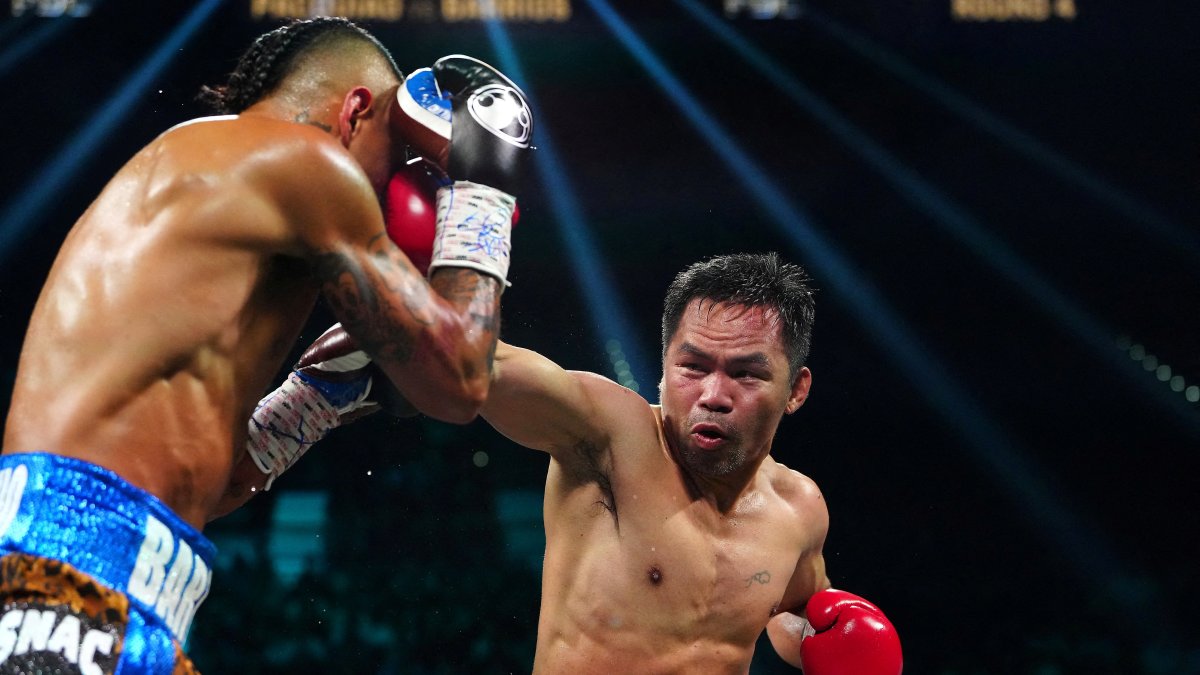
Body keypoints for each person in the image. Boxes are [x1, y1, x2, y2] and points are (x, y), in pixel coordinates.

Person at [0, 16, 532, 674]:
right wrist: (483, 189)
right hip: (72, 572)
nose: (395, 189)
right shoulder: (304, 161)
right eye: (396, 156)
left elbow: (211, 485)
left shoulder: (207, 186)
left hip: (99, 570)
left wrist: (315, 399)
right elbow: (460, 379)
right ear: (356, 111)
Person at [278, 252, 903, 673]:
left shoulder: (800, 508)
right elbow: (488, 364)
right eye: (692, 367)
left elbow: (795, 614)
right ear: (664, 367)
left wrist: (838, 644)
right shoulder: (611, 435)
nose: (713, 394)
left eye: (746, 374)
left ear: (796, 389)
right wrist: (402, 331)